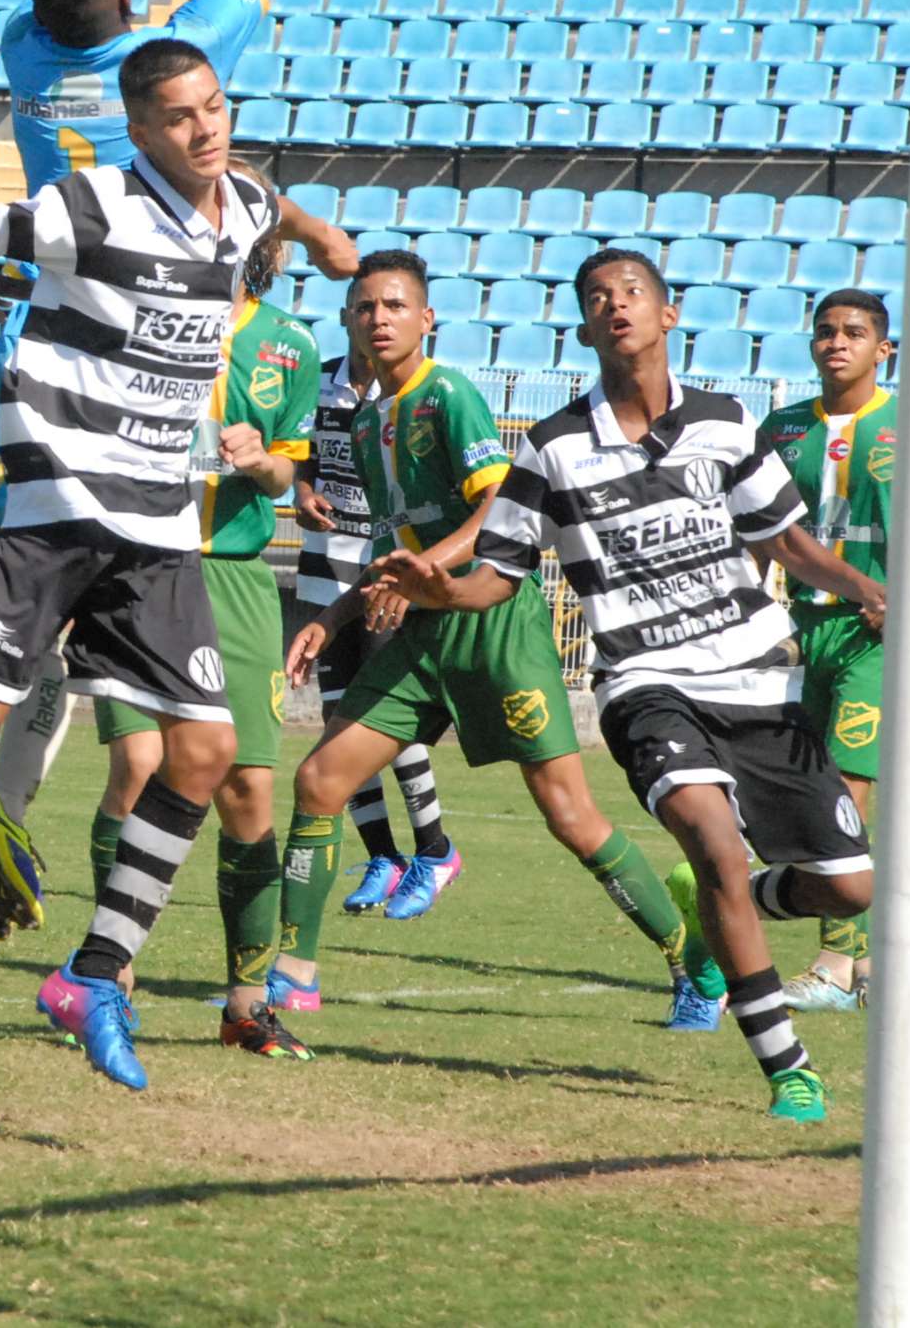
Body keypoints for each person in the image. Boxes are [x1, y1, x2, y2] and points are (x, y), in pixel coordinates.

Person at [0, 37, 353, 1097]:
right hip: (49, 507)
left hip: (156, 528)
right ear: (140, 131)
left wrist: (322, 237)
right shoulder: (94, 206)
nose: (204, 128)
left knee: (204, 751)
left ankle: (95, 976)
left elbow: (280, 205)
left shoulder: (247, 201)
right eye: (179, 117)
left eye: (213, 106)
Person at [377, 249, 884, 1124]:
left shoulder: (729, 424)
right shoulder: (552, 448)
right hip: (645, 683)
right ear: (582, 328)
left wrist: (871, 590)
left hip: (760, 680)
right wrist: (440, 589)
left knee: (849, 888)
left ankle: (724, 907)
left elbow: (790, 547)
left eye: (634, 292)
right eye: (598, 299)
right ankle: (787, 1066)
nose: (618, 306)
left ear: (670, 312)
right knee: (719, 845)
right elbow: (496, 574)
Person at [270, 252, 707, 1032]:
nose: (380, 318)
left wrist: (428, 568)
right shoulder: (369, 420)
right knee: (319, 780)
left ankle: (689, 960)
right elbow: (393, 542)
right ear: (349, 321)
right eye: (366, 306)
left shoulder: (449, 395)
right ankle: (293, 975)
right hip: (422, 632)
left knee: (570, 814)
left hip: (495, 624)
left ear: (426, 319)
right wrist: (330, 618)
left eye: (396, 305)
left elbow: (500, 516)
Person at [77, 227, 329, 1058]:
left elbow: (289, 474)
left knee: (249, 792)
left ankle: (246, 1006)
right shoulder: (128, 315)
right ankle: (107, 977)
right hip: (140, 566)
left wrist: (261, 461)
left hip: (234, 574)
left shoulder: (288, 345)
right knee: (140, 765)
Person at [757, 292, 910, 1012]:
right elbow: (763, 530)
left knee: (844, 789)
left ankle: (834, 963)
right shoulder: (782, 427)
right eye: (826, 331)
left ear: (883, 350)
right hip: (811, 630)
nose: (837, 343)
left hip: (878, 639)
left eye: (854, 333)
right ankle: (862, 968)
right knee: (815, 791)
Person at [292, 326, 452, 918]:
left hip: (386, 566)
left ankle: (434, 849)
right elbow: (300, 459)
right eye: (361, 310)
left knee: (386, 716)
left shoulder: (417, 391)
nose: (372, 323)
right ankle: (385, 859)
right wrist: (303, 493)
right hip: (323, 567)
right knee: (337, 720)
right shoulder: (319, 385)